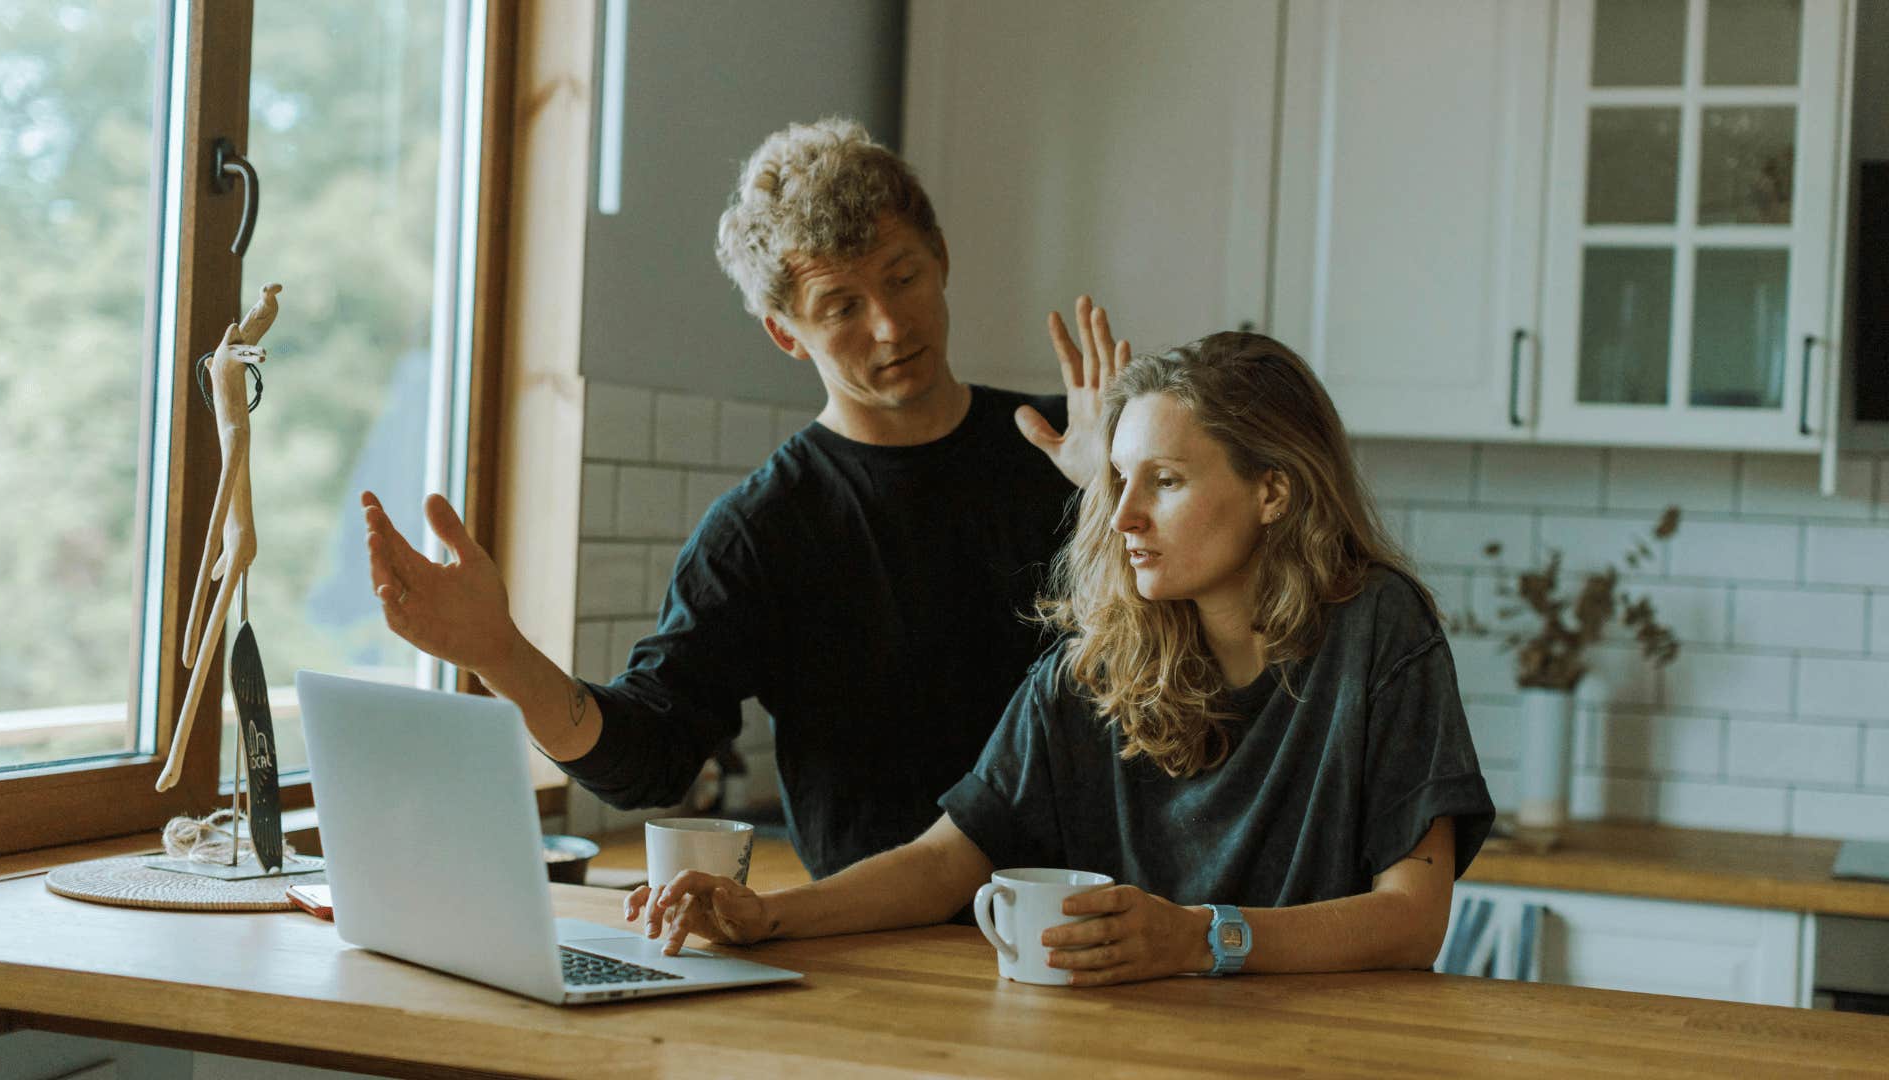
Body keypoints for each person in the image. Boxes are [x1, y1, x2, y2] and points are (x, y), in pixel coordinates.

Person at [360, 117, 1130, 878]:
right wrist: (501, 656)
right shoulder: (765, 531)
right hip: (880, 947)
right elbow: (652, 761)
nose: (891, 326)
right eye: (842, 307)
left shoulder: (1074, 449)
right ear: (786, 334)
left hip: (1106, 916)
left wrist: (1114, 492)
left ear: (942, 258)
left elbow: (1206, 660)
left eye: (902, 277)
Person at [628, 331, 1497, 985]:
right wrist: (766, 916)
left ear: (1273, 490)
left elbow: (1411, 921)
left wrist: (1198, 937)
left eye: (1165, 481)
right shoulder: (1101, 658)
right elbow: (946, 859)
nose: (1122, 519)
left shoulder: (1378, 628)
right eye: (1118, 481)